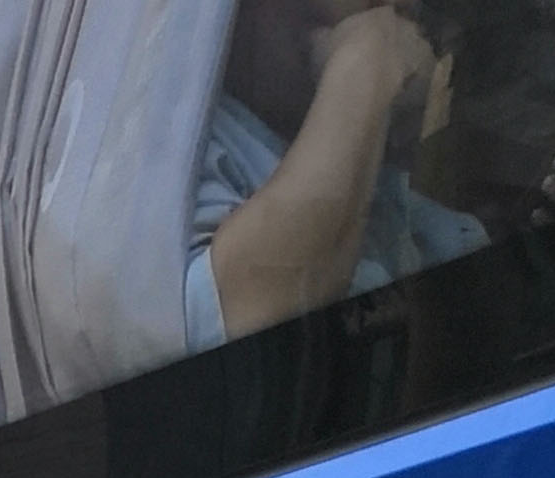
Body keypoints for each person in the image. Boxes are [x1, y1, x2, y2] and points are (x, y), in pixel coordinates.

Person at [189, 0, 485, 348]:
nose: (398, 10)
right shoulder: (176, 153)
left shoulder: (417, 216)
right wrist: (367, 58)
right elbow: (245, 326)